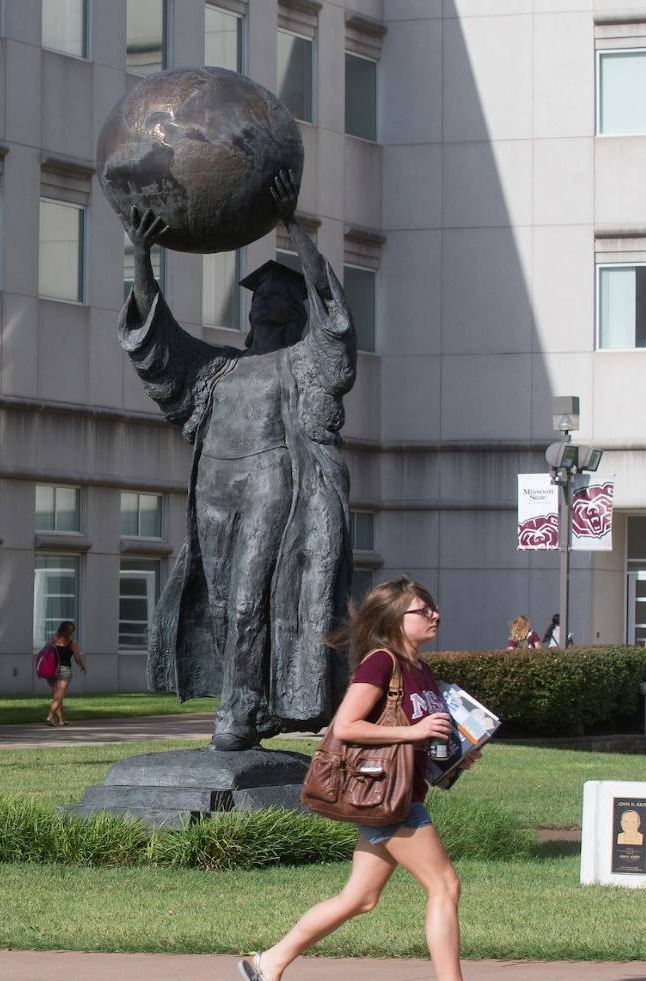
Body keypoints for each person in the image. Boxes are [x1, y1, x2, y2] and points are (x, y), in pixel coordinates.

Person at [118, 169, 356, 751]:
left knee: (252, 599)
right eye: (261, 294)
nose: (267, 298)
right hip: (214, 487)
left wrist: (292, 228)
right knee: (223, 603)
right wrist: (142, 258)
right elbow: (157, 344)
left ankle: (236, 713)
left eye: (279, 293)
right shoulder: (217, 367)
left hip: (272, 482)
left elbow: (335, 320)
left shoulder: (300, 363)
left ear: (293, 310)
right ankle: (250, 704)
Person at [240, 577, 473, 981]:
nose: (435, 615)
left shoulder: (420, 668)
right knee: (445, 885)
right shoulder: (381, 662)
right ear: (396, 619)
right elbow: (347, 726)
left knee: (360, 898)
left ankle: (269, 962)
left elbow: (421, 737)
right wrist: (413, 733)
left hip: (398, 794)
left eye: (433, 607)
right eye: (423, 610)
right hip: (387, 799)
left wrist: (455, 758)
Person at [43, 620, 87, 727]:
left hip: (51, 671)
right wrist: (83, 666)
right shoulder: (73, 644)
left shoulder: (53, 640)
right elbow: (77, 658)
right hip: (64, 671)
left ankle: (62, 720)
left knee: (58, 697)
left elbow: (45, 651)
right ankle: (50, 717)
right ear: (71, 632)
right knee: (58, 697)